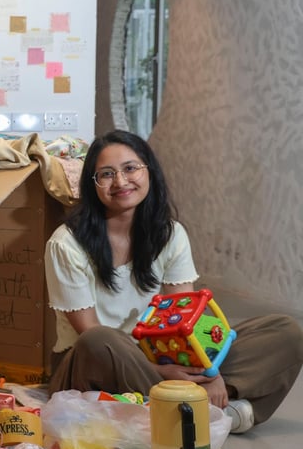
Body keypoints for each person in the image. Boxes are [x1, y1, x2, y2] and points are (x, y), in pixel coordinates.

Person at [45, 130, 303, 433]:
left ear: (149, 172)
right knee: (99, 339)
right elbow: (87, 332)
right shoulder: (66, 244)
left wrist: (210, 369)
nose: (120, 181)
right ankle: (203, 410)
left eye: (130, 168)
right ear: (93, 185)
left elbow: (185, 319)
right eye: (106, 174)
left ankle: (190, 405)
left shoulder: (169, 234)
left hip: (163, 350)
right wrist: (161, 372)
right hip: (98, 362)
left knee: (283, 332)